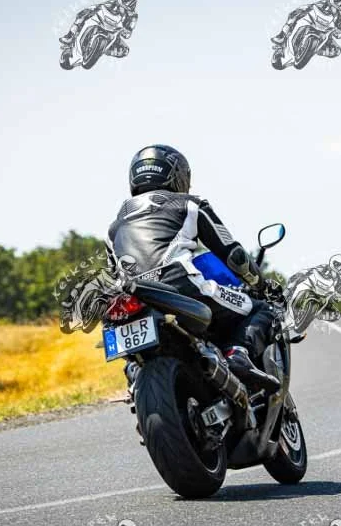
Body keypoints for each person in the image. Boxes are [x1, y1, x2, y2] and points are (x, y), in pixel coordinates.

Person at [107, 144, 279, 394]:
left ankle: (134, 373)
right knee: (261, 309)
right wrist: (261, 284)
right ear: (177, 176)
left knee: (128, 349)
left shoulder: (113, 228)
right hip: (180, 285)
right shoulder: (189, 205)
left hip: (130, 297)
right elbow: (235, 256)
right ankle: (238, 354)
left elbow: (115, 273)